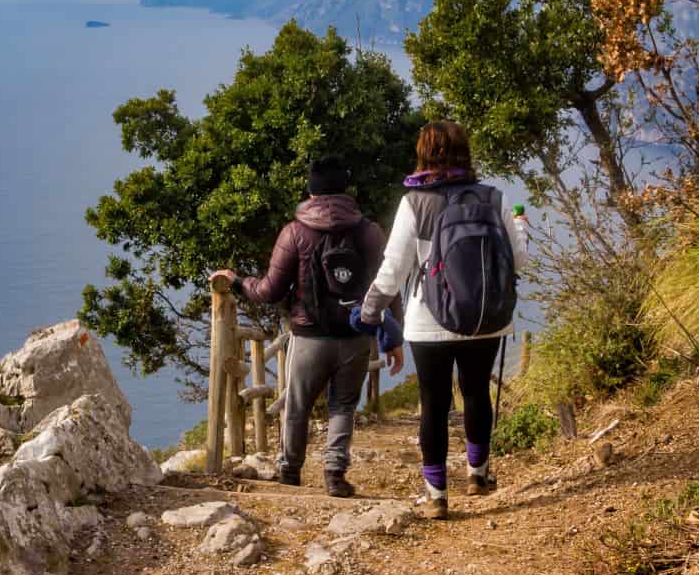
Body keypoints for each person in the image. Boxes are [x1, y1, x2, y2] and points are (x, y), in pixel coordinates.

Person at [357, 120, 528, 520]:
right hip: (488, 318)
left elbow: (393, 269)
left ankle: (436, 496)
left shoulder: (414, 203)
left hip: (428, 321)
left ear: (423, 154)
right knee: (476, 393)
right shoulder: (492, 197)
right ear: (465, 152)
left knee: (433, 404)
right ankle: (478, 473)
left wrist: (370, 310)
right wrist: (521, 227)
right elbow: (519, 259)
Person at [210, 155, 403, 497]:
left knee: (297, 404)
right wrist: (394, 336)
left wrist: (238, 281)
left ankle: (290, 471)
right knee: (343, 405)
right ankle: (335, 473)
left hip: (309, 334)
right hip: (356, 334)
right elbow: (389, 286)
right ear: (345, 188)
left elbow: (269, 291)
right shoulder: (369, 232)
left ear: (311, 191)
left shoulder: (295, 232)